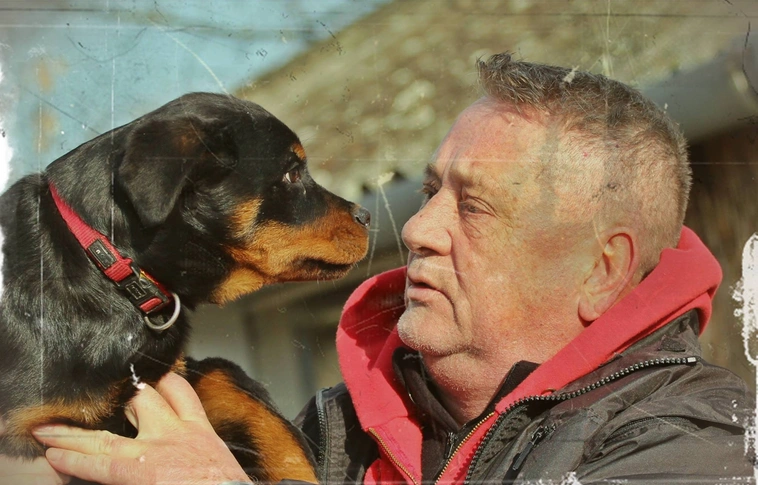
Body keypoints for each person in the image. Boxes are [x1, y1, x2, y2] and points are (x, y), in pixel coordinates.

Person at [8, 53, 757, 484]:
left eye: (474, 206)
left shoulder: (699, 444)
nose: (419, 230)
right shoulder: (334, 431)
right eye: (429, 194)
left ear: (601, 270)